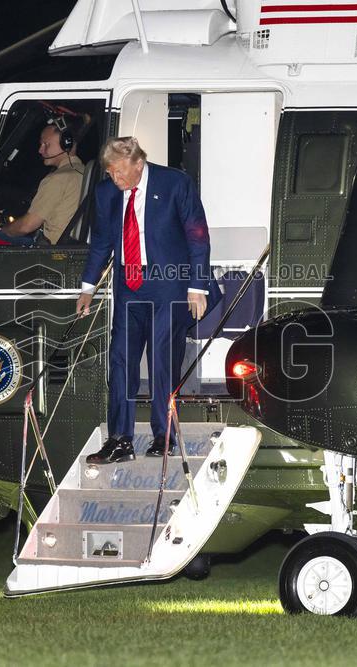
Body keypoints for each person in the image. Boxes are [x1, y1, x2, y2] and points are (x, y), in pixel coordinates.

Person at [75, 137, 215, 464]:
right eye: (111, 174)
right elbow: (101, 243)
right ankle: (120, 440)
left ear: (139, 163)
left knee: (162, 361)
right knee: (121, 360)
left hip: (169, 285)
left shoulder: (175, 183)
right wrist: (87, 288)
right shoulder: (106, 192)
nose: (117, 180)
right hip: (128, 287)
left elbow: (198, 236)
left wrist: (197, 287)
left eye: (121, 173)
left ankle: (162, 435)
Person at [0, 115, 86, 246]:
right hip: (65, 247)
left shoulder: (58, 178)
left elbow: (26, 226)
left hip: (48, 250)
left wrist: (1, 229)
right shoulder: (83, 172)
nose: (40, 150)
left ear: (66, 143)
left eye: (46, 144)